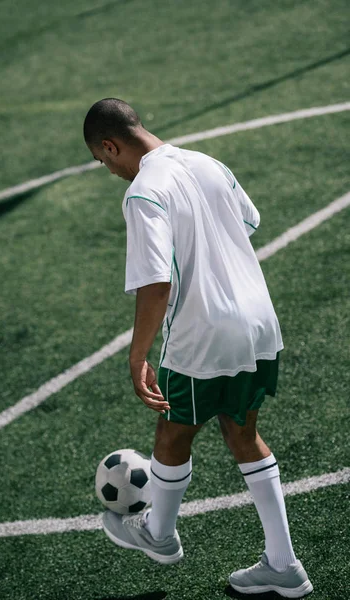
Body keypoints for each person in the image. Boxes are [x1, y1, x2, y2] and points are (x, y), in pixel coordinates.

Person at [83, 98, 313, 598]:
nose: (111, 171)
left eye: (105, 162)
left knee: (171, 433)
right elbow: (247, 222)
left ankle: (159, 536)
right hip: (258, 324)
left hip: (203, 334)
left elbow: (156, 283)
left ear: (110, 144)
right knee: (242, 433)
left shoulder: (144, 192)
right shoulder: (209, 163)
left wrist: (136, 354)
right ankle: (283, 564)